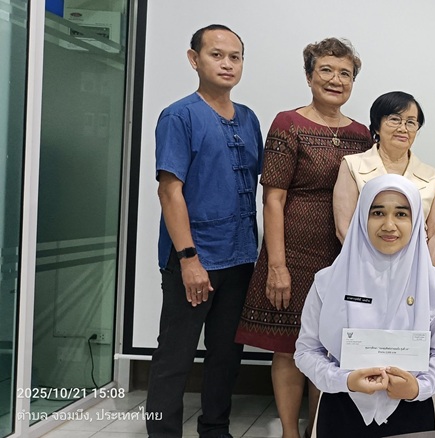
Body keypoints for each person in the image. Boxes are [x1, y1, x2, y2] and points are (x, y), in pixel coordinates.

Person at [234, 37, 370, 438]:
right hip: (291, 253)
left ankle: (318, 430)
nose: (336, 80)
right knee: (288, 347)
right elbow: (273, 199)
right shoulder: (288, 124)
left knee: (330, 347)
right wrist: (277, 266)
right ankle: (290, 432)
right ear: (309, 76)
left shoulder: (362, 134)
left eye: (345, 73)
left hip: (340, 254)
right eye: (326, 70)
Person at [148, 24, 263, 438]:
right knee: (174, 357)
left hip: (240, 257)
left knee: (226, 356)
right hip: (194, 258)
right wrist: (188, 260)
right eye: (217, 55)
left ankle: (215, 429)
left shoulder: (248, 118)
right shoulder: (179, 116)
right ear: (194, 59)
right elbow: (169, 191)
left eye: (235, 57)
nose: (227, 64)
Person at [295, 174, 435, 437]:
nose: (389, 225)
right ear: (362, 217)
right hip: (342, 407)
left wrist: (418, 388)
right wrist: (344, 380)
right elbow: (305, 351)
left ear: (417, 221)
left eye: (401, 214)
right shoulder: (328, 281)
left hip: (411, 410)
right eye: (378, 213)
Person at [333, 91, 435, 265]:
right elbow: (344, 228)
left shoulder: (430, 175)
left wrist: (425, 270)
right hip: (364, 265)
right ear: (377, 125)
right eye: (394, 119)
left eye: (411, 122)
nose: (403, 128)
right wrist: (370, 267)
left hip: (414, 267)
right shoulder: (352, 165)